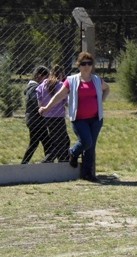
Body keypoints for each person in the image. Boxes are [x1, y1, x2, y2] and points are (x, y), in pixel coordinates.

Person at [39, 52, 110, 182]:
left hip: (96, 119)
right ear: (79, 65)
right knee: (86, 141)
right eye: (83, 64)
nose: (87, 66)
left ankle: (87, 174)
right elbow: (59, 96)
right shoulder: (71, 81)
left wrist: (101, 101)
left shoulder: (96, 80)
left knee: (91, 146)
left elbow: (107, 88)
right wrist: (46, 107)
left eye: (89, 63)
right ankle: (73, 152)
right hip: (79, 119)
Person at [37, 65, 70, 163]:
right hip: (58, 117)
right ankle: (48, 161)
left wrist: (42, 107)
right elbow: (66, 101)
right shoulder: (60, 85)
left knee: (62, 140)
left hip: (47, 117)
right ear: (60, 74)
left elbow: (39, 96)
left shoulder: (43, 84)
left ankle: (63, 160)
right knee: (61, 142)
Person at [22, 66, 50, 164]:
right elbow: (37, 103)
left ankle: (46, 162)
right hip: (36, 121)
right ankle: (24, 164)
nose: (47, 81)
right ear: (39, 76)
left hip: (36, 121)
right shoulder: (34, 88)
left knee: (42, 143)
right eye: (46, 78)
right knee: (41, 143)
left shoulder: (33, 87)